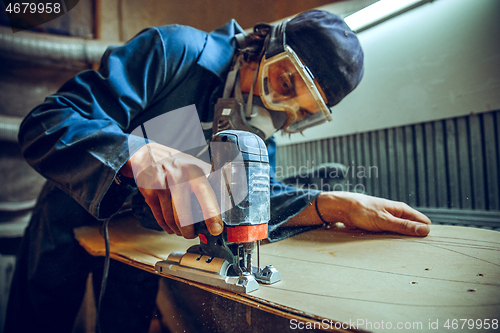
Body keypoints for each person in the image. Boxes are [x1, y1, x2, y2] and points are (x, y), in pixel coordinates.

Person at [5, 10, 431, 333]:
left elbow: (240, 203)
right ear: (261, 45)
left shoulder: (255, 137)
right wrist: (143, 155)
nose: (280, 111)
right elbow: (49, 122)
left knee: (125, 321)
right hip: (71, 212)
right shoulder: (174, 52)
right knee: (41, 318)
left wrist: (328, 205)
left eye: (302, 113)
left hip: (144, 239)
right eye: (284, 84)